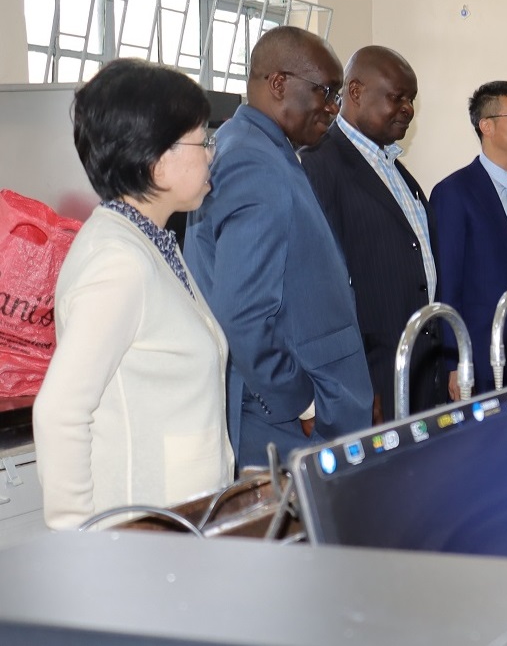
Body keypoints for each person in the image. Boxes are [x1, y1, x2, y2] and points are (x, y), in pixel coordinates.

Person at [33, 59, 233, 530]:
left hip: (177, 524)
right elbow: (60, 411)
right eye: (203, 140)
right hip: (142, 535)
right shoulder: (119, 263)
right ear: (157, 162)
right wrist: (81, 541)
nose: (211, 154)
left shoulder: (149, 240)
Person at [185, 26, 372, 469]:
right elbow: (243, 312)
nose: (334, 107)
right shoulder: (253, 162)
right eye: (326, 91)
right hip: (285, 424)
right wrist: (302, 403)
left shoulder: (254, 147)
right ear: (278, 83)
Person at [300, 46, 445, 423]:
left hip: (418, 375)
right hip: (368, 381)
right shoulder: (320, 163)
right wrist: (353, 385)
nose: (408, 109)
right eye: (397, 97)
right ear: (356, 91)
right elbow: (319, 289)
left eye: (412, 99)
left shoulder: (394, 168)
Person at [431, 81, 507, 396]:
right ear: (487, 126)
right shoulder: (454, 192)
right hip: (479, 356)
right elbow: (447, 284)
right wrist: (455, 360)